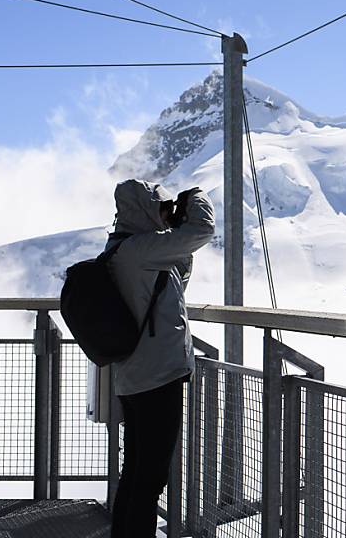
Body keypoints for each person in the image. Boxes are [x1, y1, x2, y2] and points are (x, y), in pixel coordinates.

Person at [106, 179, 215, 537]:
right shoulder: (141, 249)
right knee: (151, 478)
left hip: (138, 375)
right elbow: (203, 230)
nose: (167, 215)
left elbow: (176, 280)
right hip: (156, 377)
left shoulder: (126, 249)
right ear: (145, 210)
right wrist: (196, 198)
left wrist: (173, 233)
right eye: (162, 208)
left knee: (137, 471)